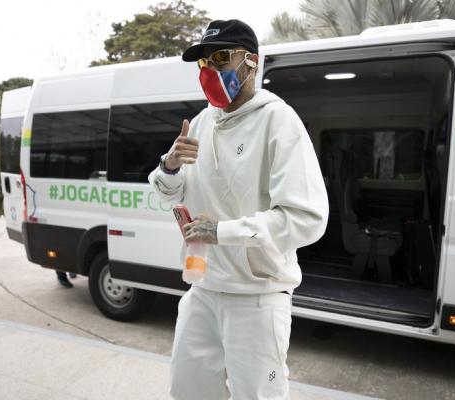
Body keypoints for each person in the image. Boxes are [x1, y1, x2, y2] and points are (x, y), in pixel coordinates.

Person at [148, 19, 328, 400]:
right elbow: (168, 195)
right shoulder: (198, 123)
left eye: (221, 58)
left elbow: (307, 218)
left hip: (256, 297)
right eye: (203, 62)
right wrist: (170, 167)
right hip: (202, 288)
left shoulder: (279, 121)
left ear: (253, 63)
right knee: (188, 391)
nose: (211, 70)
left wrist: (222, 232)